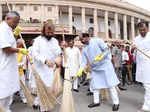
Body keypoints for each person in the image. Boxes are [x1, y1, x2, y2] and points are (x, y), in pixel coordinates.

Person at [77, 33, 120, 111]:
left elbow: (107, 50)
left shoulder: (98, 41)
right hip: (95, 69)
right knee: (95, 85)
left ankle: (116, 103)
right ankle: (96, 102)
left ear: (87, 37)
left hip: (105, 66)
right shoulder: (84, 49)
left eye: (82, 39)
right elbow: (83, 61)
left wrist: (101, 56)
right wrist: (80, 70)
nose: (81, 41)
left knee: (111, 85)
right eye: (80, 40)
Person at [0, 11, 28, 112]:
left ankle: (6, 109)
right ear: (7, 19)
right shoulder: (2, 29)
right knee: (4, 93)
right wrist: (19, 50)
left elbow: (11, 43)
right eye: (15, 22)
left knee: (9, 92)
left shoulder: (8, 29)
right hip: (4, 65)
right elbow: (6, 49)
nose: (16, 25)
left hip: (10, 66)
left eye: (17, 23)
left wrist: (15, 35)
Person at [32, 22, 62, 112]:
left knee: (48, 88)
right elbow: (35, 54)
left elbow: (58, 52)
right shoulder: (38, 40)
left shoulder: (55, 41)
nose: (50, 34)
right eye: (48, 33)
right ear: (44, 31)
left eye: (51, 33)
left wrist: (59, 57)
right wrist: (45, 61)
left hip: (50, 70)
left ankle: (40, 104)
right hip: (40, 69)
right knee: (41, 88)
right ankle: (43, 108)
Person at [132, 22, 150, 112]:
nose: (142, 31)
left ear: (148, 28)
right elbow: (132, 51)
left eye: (144, 29)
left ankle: (146, 107)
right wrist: (133, 48)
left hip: (148, 63)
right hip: (140, 64)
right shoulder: (136, 39)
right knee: (145, 85)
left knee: (148, 86)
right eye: (140, 30)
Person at [17, 39, 27, 104]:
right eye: (20, 44)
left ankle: (23, 98)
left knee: (22, 85)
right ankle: (10, 99)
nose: (21, 45)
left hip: (20, 72)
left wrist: (16, 65)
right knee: (11, 86)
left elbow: (23, 62)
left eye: (22, 44)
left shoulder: (23, 52)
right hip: (11, 72)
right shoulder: (13, 50)